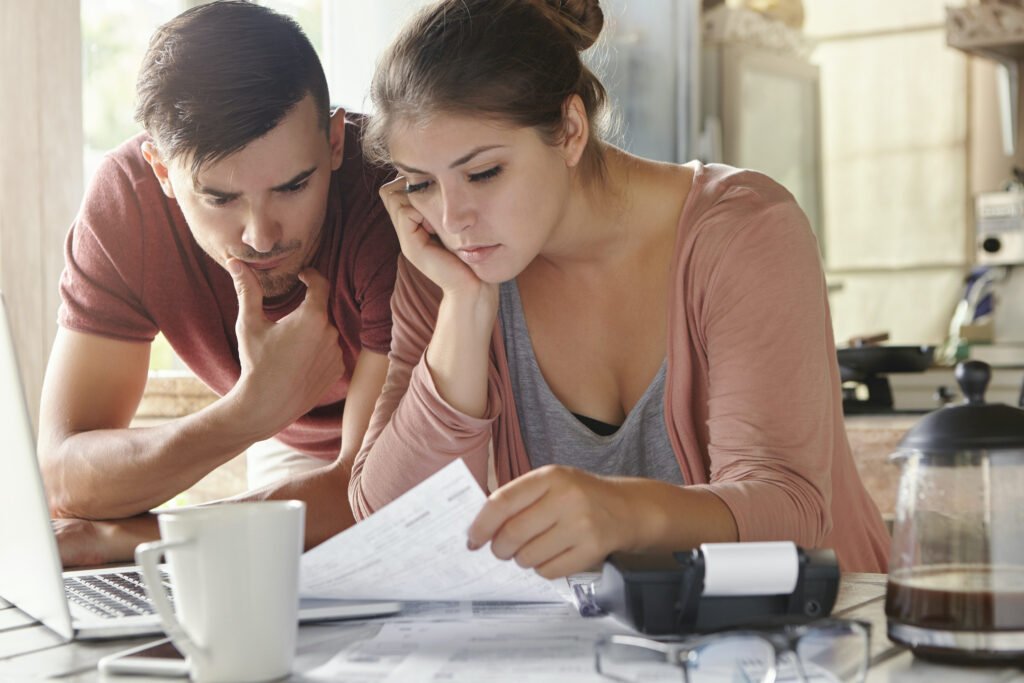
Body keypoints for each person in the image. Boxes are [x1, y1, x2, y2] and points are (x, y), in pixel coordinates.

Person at [348, 0, 890, 575]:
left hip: (823, 641)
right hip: (616, 655)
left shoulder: (744, 232)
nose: (454, 218)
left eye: (483, 173)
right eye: (421, 183)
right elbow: (388, 524)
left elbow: (789, 509)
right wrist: (463, 308)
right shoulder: (442, 265)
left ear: (571, 131)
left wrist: (622, 516)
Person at [39, 0, 399, 566]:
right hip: (284, 445)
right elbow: (64, 479)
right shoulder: (126, 203)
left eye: (293, 186)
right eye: (220, 198)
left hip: (412, 460)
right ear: (161, 170)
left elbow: (368, 492)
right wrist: (250, 413)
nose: (260, 235)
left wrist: (137, 542)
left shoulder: (390, 193)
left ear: (333, 142)